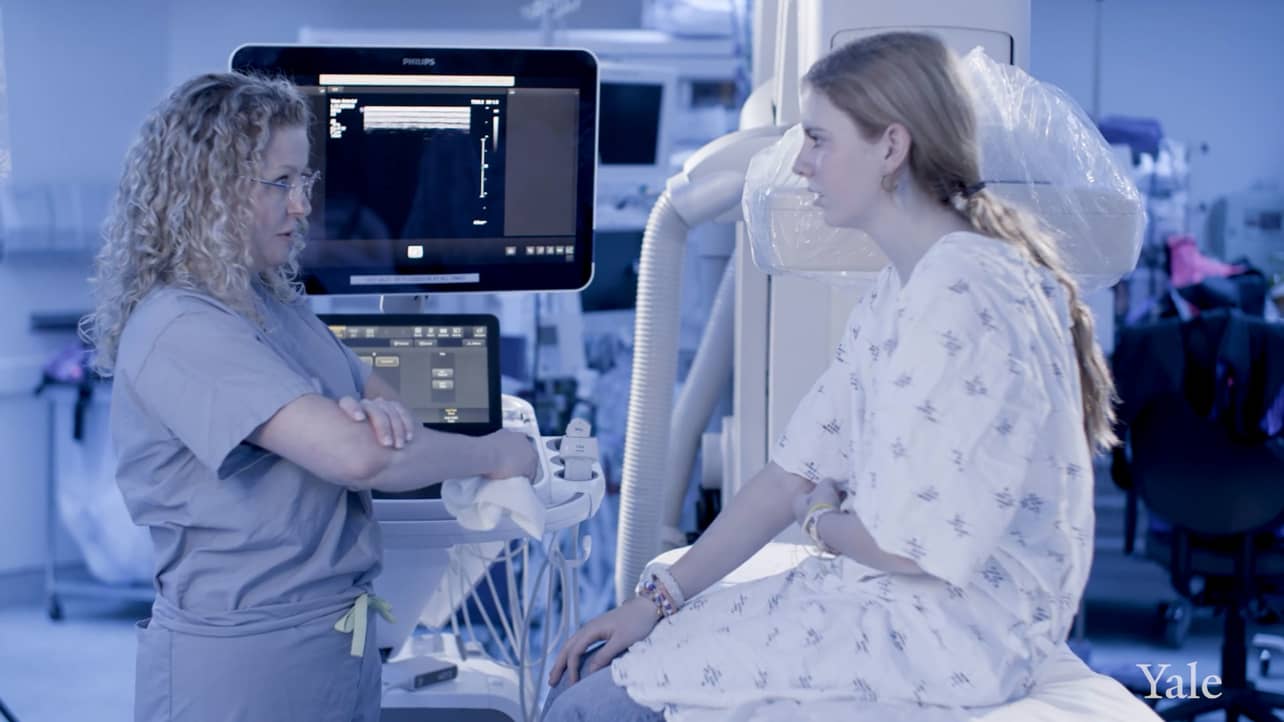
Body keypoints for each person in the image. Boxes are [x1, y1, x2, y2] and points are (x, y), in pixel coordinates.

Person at [544, 32, 1117, 721]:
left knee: (595, 707)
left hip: (951, 642)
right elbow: (790, 474)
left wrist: (819, 520)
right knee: (621, 664)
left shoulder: (961, 295)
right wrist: (655, 600)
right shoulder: (902, 290)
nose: (802, 165)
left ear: (891, 148)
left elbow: (910, 548)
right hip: (900, 608)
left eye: (818, 140)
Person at [82, 72, 540, 722]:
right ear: (209, 189)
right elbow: (362, 458)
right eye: (280, 183)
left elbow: (387, 410)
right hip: (243, 666)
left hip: (334, 644)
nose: (301, 205)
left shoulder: (268, 302)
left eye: (305, 182)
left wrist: (363, 426)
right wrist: (496, 452)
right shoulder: (180, 328)